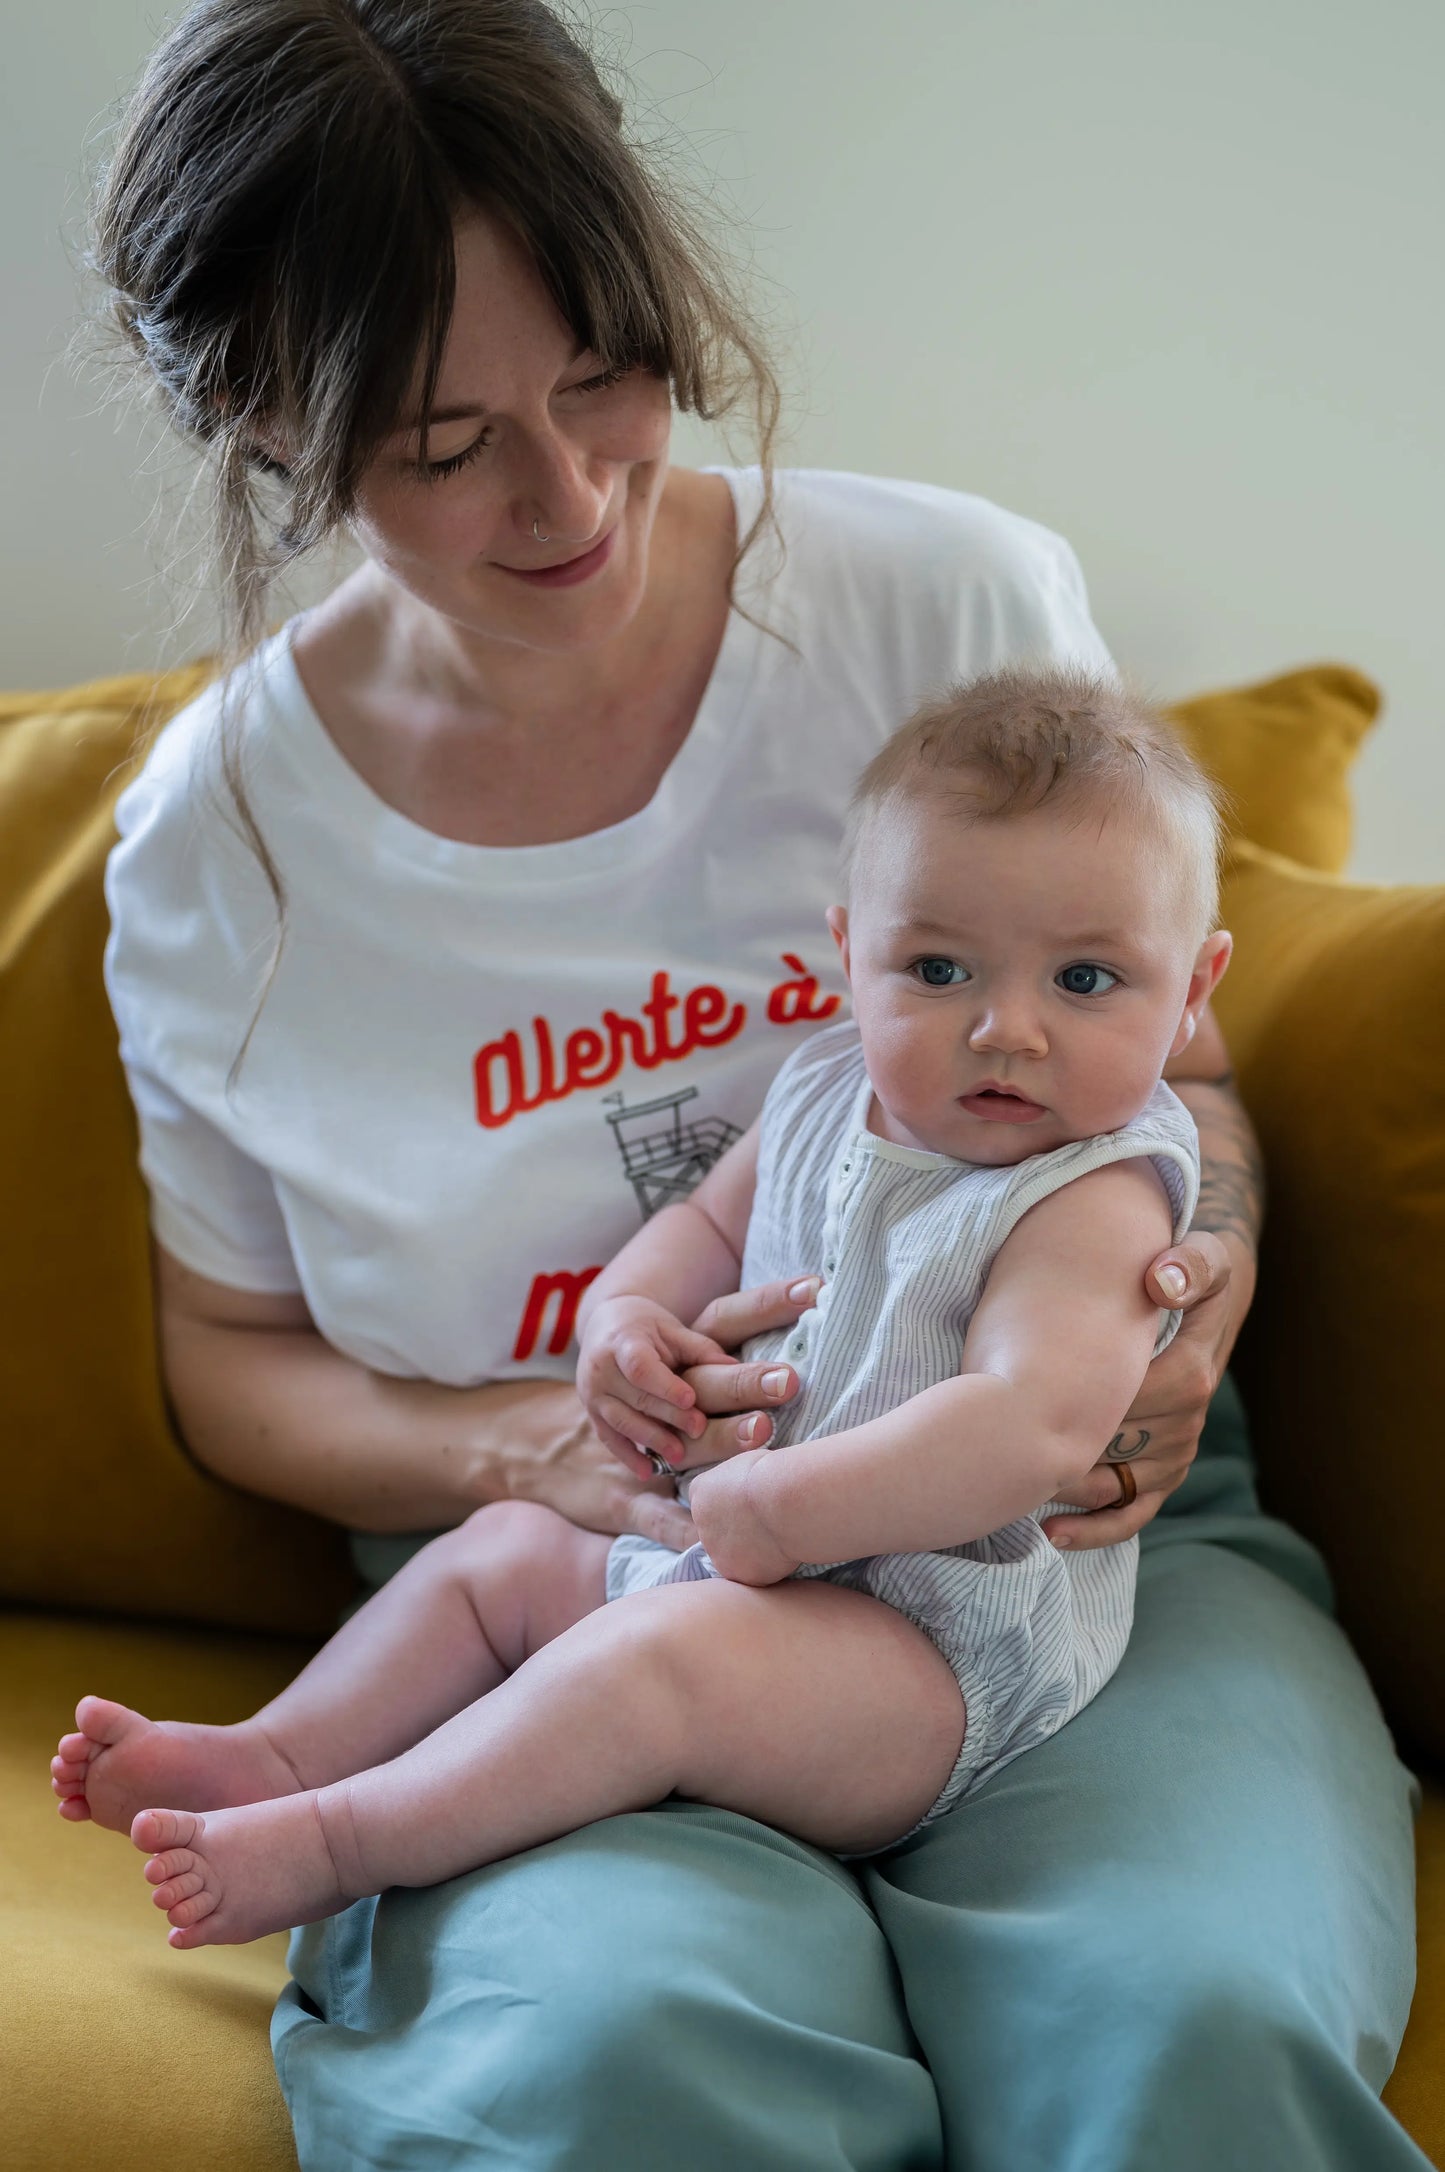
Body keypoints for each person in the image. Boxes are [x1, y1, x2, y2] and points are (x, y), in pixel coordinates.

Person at [74, 1, 1423, 2165]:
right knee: (624, 2063)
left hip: (1062, 1561)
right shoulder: (214, 851)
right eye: (444, 441)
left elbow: (1185, 1087)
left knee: (1187, 2025)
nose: (569, 492)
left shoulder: (944, 600)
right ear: (265, 421)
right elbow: (230, 1361)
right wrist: (543, 1443)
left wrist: (1190, 1308)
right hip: (592, 1577)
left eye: (607, 371)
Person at [52, 669, 1223, 1933]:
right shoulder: (828, 1085)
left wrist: (780, 1509)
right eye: (937, 968)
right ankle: (276, 1756)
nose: (1005, 1030)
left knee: (657, 1664)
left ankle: (340, 1841)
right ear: (849, 956)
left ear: (1192, 992)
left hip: (929, 1656)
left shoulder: (1092, 1194)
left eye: (1084, 981)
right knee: (499, 1553)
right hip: (729, 1557)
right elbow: (703, 1225)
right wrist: (620, 1319)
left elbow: (1024, 1424)